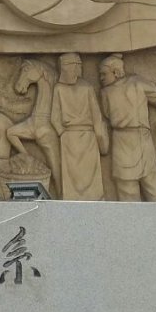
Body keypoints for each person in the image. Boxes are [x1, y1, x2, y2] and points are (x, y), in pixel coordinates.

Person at [98, 53, 156, 202]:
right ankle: (133, 217)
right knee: (127, 187)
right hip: (121, 141)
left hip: (140, 139)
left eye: (103, 74)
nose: (100, 78)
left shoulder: (136, 83)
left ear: (116, 72)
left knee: (152, 184)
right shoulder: (106, 92)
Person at [49, 52, 109, 201]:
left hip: (77, 137)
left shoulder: (83, 87)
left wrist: (62, 133)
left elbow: (54, 118)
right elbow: (96, 117)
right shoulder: (65, 88)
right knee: (78, 176)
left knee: (85, 175)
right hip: (79, 136)